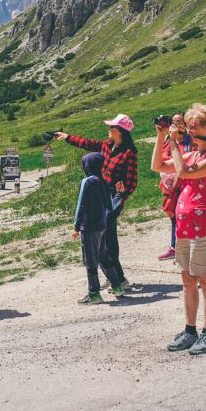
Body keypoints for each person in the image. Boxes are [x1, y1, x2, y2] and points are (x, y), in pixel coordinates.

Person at [151, 103, 206, 356]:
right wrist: (162, 136)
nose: (192, 129)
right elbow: (158, 167)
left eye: (196, 125)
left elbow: (183, 172)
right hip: (185, 227)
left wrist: (174, 144)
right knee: (188, 280)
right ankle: (190, 329)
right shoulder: (192, 155)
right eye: (190, 125)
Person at [54, 113, 138, 289]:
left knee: (107, 237)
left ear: (120, 131)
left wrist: (117, 200)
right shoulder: (107, 145)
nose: (109, 129)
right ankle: (116, 277)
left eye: (111, 127)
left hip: (114, 200)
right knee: (105, 237)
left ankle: (118, 278)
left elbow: (131, 183)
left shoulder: (129, 153)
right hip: (102, 196)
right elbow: (88, 143)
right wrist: (67, 137)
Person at [72, 152, 123, 303]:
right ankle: (117, 287)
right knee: (104, 256)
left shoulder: (87, 182)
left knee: (90, 260)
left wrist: (76, 226)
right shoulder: (104, 182)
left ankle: (94, 293)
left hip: (88, 227)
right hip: (102, 226)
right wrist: (119, 194)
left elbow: (81, 204)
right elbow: (110, 206)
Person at [157, 113, 191, 261]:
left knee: (185, 216)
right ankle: (175, 247)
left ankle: (182, 248)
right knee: (173, 216)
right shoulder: (167, 141)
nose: (176, 125)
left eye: (179, 122)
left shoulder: (190, 141)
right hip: (170, 184)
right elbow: (160, 159)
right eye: (174, 122)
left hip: (185, 184)